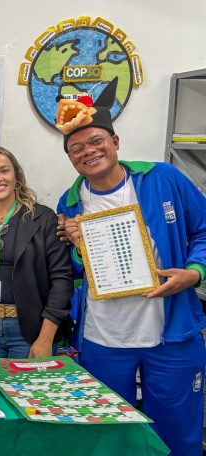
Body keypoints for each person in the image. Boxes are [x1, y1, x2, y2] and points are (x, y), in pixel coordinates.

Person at [56, 79, 206, 456]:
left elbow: (204, 229)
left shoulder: (162, 179)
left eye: (96, 141)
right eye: (77, 149)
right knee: (108, 434)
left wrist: (195, 272)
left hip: (171, 335)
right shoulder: (70, 203)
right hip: (103, 337)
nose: (88, 152)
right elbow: (75, 273)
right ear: (71, 159)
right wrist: (79, 247)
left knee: (178, 434)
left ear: (115, 141)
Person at [0, 146, 72, 358]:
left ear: (16, 176)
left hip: (29, 331)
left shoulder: (43, 219)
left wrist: (45, 338)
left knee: (26, 381)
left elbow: (62, 280)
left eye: (4, 170)